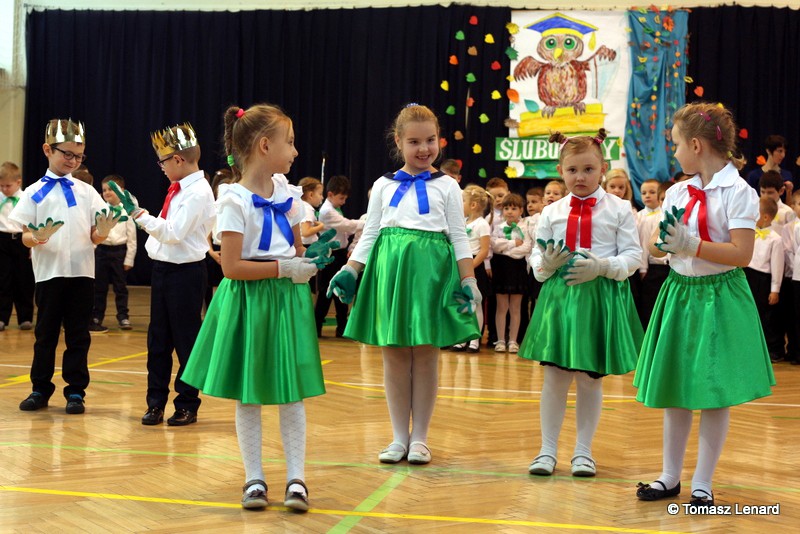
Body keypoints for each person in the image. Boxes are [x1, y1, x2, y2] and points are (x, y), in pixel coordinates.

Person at [181, 104, 326, 512]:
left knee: (291, 392)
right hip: (249, 298)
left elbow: (297, 249)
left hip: (286, 300)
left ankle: (296, 478)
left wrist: (310, 261)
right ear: (265, 145)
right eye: (290, 142)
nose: (295, 151)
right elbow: (230, 267)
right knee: (249, 394)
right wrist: (284, 268)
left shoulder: (287, 193)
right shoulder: (233, 199)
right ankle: (254, 479)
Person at [635, 102, 775, 508]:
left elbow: (742, 253)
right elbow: (656, 245)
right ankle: (669, 475)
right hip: (680, 293)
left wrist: (692, 244)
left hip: (719, 296)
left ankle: (702, 481)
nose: (674, 151)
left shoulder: (739, 192)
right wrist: (663, 243)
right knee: (676, 387)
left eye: (676, 144)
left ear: (696, 145)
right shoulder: (679, 191)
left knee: (714, 390)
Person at [327, 104, 480, 465]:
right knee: (394, 356)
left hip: (431, 275)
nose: (424, 148)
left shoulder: (449, 186)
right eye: (414, 141)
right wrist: (351, 269)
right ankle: (399, 437)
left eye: (430, 140)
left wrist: (469, 279)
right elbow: (370, 233)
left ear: (439, 140)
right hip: (390, 273)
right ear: (398, 141)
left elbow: (459, 236)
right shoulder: (383, 185)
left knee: (426, 356)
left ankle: (420, 438)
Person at [520, 128, 642, 478]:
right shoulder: (552, 211)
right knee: (555, 378)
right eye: (572, 170)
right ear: (561, 171)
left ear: (602, 168)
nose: (580, 177)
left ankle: (583, 452)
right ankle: (547, 450)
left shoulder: (619, 208)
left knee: (590, 379)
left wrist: (603, 267)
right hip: (560, 300)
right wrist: (546, 265)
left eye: (588, 169)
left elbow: (633, 256)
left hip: (599, 299)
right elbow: (537, 256)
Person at [110, 122, 216, 427]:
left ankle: (187, 404)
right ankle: (155, 402)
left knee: (186, 342)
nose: (161, 168)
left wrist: (138, 214)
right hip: (164, 270)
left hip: (186, 274)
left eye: (163, 162)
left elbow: (172, 233)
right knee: (158, 341)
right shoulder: (179, 189)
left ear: (178, 159)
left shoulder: (198, 192)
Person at [11, 119, 119, 414]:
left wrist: (103, 232)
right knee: (45, 334)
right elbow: (24, 236)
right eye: (67, 154)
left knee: (78, 335)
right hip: (49, 274)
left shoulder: (87, 192)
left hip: (82, 273)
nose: (73, 161)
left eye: (79, 156)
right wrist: (37, 237)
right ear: (48, 150)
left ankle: (75, 391)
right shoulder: (33, 192)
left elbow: (95, 234)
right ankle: (39, 388)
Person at [313, 175, 363, 337]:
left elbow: (345, 229)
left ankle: (342, 327)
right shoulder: (327, 211)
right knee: (325, 293)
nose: (343, 202)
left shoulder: (334, 209)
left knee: (340, 290)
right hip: (330, 254)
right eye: (341, 198)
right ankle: (317, 327)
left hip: (339, 254)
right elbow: (346, 225)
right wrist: (366, 222)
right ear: (330, 194)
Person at [91, 175, 137, 332]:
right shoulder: (99, 210)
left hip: (119, 252)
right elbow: (94, 232)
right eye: (104, 190)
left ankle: (123, 316)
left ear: (121, 191)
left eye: (111, 189)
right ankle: (97, 316)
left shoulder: (127, 211)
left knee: (120, 287)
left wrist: (129, 259)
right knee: (99, 287)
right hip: (101, 251)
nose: (107, 192)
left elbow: (132, 238)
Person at [451, 184, 491, 353]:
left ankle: (474, 339)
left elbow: (484, 250)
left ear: (473, 205)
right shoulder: (463, 222)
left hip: (474, 266)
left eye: (463, 201)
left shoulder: (482, 224)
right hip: (462, 263)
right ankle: (462, 338)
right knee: (461, 301)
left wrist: (470, 267)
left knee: (476, 304)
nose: (460, 204)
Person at [744, 198, 784, 362]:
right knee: (750, 313)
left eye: (755, 213)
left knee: (766, 317)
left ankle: (773, 349)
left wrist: (775, 290)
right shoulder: (750, 233)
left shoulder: (775, 239)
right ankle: (753, 347)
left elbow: (777, 266)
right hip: (748, 275)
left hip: (763, 280)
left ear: (766, 217)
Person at [491, 193, 532, 353]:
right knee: (501, 307)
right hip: (501, 267)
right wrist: (513, 243)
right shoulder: (499, 227)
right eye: (506, 208)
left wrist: (506, 250)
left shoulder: (524, 228)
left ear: (521, 210)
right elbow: (495, 246)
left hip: (517, 268)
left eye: (514, 208)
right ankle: (501, 340)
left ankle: (513, 341)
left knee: (515, 307)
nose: (509, 211)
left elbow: (526, 247)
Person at [0, 162, 34, 331]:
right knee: (2, 280)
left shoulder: (26, 198)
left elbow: (32, 221)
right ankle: (1, 317)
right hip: (2, 239)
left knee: (24, 279)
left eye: (8, 186)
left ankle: (25, 317)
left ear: (18, 182)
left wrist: (32, 246)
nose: (4, 189)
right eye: (1, 186)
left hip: (22, 240)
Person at [635, 179, 668, 328]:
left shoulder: (664, 215)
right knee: (650, 305)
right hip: (653, 266)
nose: (647, 195)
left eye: (652, 192)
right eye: (643, 193)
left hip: (670, 266)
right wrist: (643, 268)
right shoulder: (641, 217)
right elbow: (643, 245)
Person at [204, 169, 234, 310]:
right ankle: (212, 314)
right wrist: (211, 252)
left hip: (231, 249)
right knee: (214, 285)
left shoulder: (234, 209)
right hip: (215, 251)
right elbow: (207, 233)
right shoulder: (212, 209)